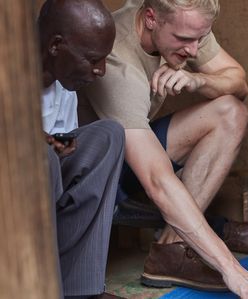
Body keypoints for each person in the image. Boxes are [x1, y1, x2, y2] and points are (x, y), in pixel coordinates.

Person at [78, 0, 248, 297]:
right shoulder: (117, 63)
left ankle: (171, 250)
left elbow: (237, 82)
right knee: (160, 180)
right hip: (95, 174)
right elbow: (158, 181)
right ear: (150, 19)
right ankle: (204, 239)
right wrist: (233, 271)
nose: (195, 51)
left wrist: (198, 80)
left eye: (200, 38)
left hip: (133, 145)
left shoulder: (185, 23)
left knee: (231, 113)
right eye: (185, 40)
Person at [39, 0, 125, 298]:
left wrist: (54, 144)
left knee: (108, 136)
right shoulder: (10, 73)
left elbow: (66, 143)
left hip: (44, 181)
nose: (100, 70)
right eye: (92, 59)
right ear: (56, 46)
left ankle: (80, 288)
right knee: (44, 157)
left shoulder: (65, 84)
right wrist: (47, 145)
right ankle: (41, 286)